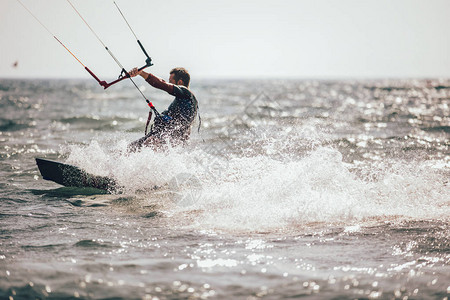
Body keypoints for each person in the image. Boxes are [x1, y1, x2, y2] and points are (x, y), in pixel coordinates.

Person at [127, 67, 199, 151]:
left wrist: (141, 73)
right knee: (129, 148)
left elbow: (162, 84)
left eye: (171, 81)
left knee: (148, 143)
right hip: (167, 138)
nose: (169, 83)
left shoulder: (185, 93)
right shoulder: (187, 100)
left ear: (180, 82)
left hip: (165, 138)